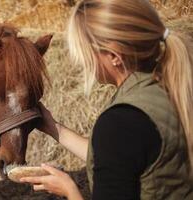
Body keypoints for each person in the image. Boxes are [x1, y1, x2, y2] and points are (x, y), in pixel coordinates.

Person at [20, 0, 193, 199]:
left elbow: (120, 144)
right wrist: (53, 127)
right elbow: (123, 154)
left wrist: (69, 190)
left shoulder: (121, 121)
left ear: (113, 56)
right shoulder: (173, 86)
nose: (83, 62)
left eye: (85, 51)